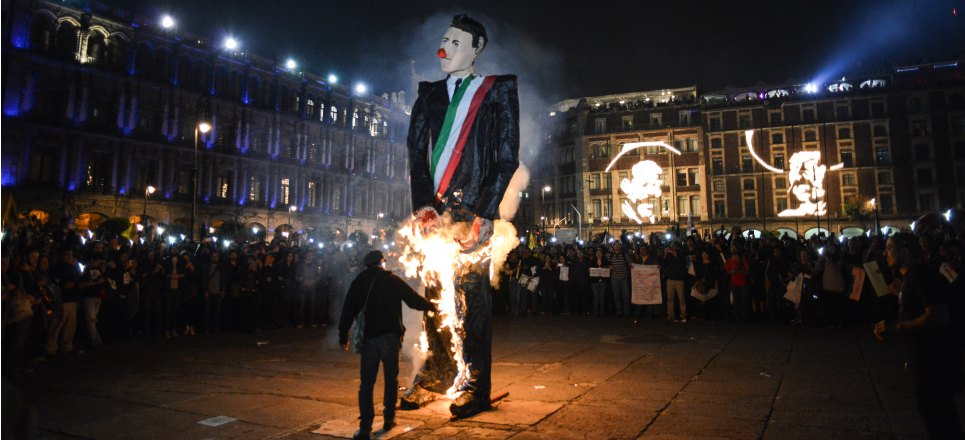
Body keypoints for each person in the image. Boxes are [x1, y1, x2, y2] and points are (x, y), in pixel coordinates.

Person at [402, 13, 519, 418]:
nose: (444, 49)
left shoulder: (497, 91)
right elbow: (416, 155)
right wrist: (423, 206)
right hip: (434, 214)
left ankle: (475, 385)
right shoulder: (428, 94)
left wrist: (485, 214)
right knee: (434, 297)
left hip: (472, 215)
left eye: (455, 42)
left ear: (476, 48)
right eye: (443, 40)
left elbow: (506, 158)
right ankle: (434, 376)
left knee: (473, 302)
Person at [873, 233, 963, 439]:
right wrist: (900, 294)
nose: (885, 252)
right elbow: (921, 306)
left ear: (905, 250)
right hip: (922, 358)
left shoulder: (920, 276)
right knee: (934, 414)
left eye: (889, 247)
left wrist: (897, 327)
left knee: (938, 416)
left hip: (932, 360)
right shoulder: (909, 279)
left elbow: (938, 316)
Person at [338, 251, 436, 440]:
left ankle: (365, 428)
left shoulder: (359, 282)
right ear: (381, 263)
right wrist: (432, 306)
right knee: (391, 380)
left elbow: (347, 310)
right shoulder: (391, 280)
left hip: (369, 340)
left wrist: (343, 335)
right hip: (390, 338)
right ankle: (389, 419)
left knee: (366, 384)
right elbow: (413, 300)